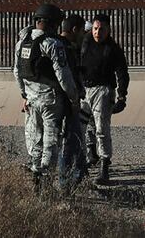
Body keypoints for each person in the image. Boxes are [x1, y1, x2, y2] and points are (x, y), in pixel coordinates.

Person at [13, 3, 80, 185]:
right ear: (53, 23)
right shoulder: (52, 44)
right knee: (50, 142)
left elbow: (17, 72)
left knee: (35, 140)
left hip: (31, 99)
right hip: (51, 100)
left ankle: (36, 178)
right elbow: (64, 76)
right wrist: (73, 98)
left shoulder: (22, 43)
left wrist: (24, 95)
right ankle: (46, 182)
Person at [80, 13, 129, 185]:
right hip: (84, 90)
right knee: (80, 127)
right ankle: (84, 161)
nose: (97, 32)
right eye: (95, 28)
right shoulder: (85, 42)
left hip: (103, 91)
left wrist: (122, 96)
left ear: (108, 30)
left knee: (102, 129)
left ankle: (104, 167)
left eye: (101, 29)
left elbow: (122, 72)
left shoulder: (113, 49)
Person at [57, 14, 88, 188]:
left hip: (67, 101)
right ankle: (67, 182)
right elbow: (65, 77)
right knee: (69, 141)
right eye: (82, 31)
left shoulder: (65, 46)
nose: (84, 35)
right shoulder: (63, 48)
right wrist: (74, 98)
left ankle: (79, 176)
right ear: (75, 30)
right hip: (67, 102)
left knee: (75, 139)